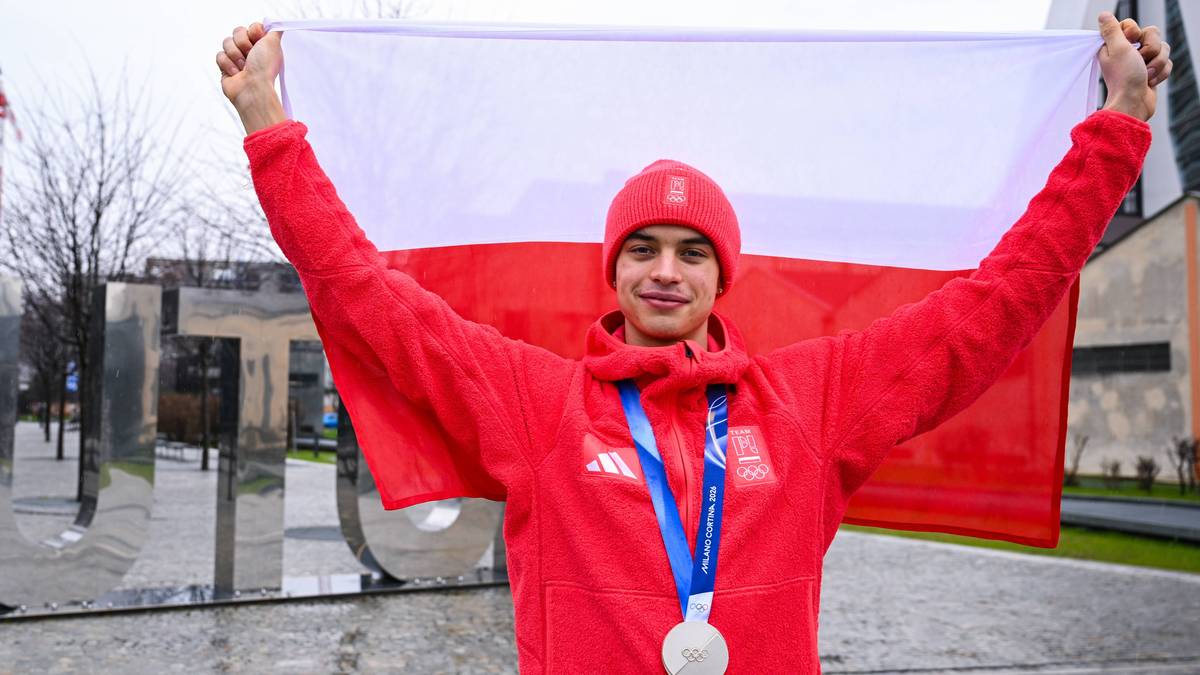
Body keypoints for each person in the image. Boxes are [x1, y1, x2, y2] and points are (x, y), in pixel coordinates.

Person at [217, 13, 1171, 674]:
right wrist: (270, 123)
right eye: (641, 249)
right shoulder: (539, 403)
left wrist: (1121, 125)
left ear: (723, 278)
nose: (665, 270)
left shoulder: (811, 400)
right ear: (614, 271)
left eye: (690, 252)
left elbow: (998, 301)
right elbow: (365, 295)